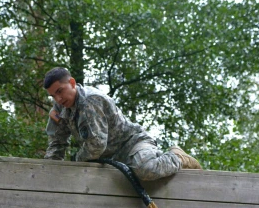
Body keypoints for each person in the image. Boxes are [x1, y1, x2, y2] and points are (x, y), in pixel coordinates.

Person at [43, 66, 202, 179]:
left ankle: (177, 157)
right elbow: (57, 142)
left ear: (72, 83)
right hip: (110, 157)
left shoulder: (90, 101)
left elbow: (96, 145)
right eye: (53, 96)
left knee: (144, 169)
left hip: (132, 144)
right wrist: (51, 173)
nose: (58, 98)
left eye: (60, 91)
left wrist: (76, 162)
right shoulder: (60, 106)